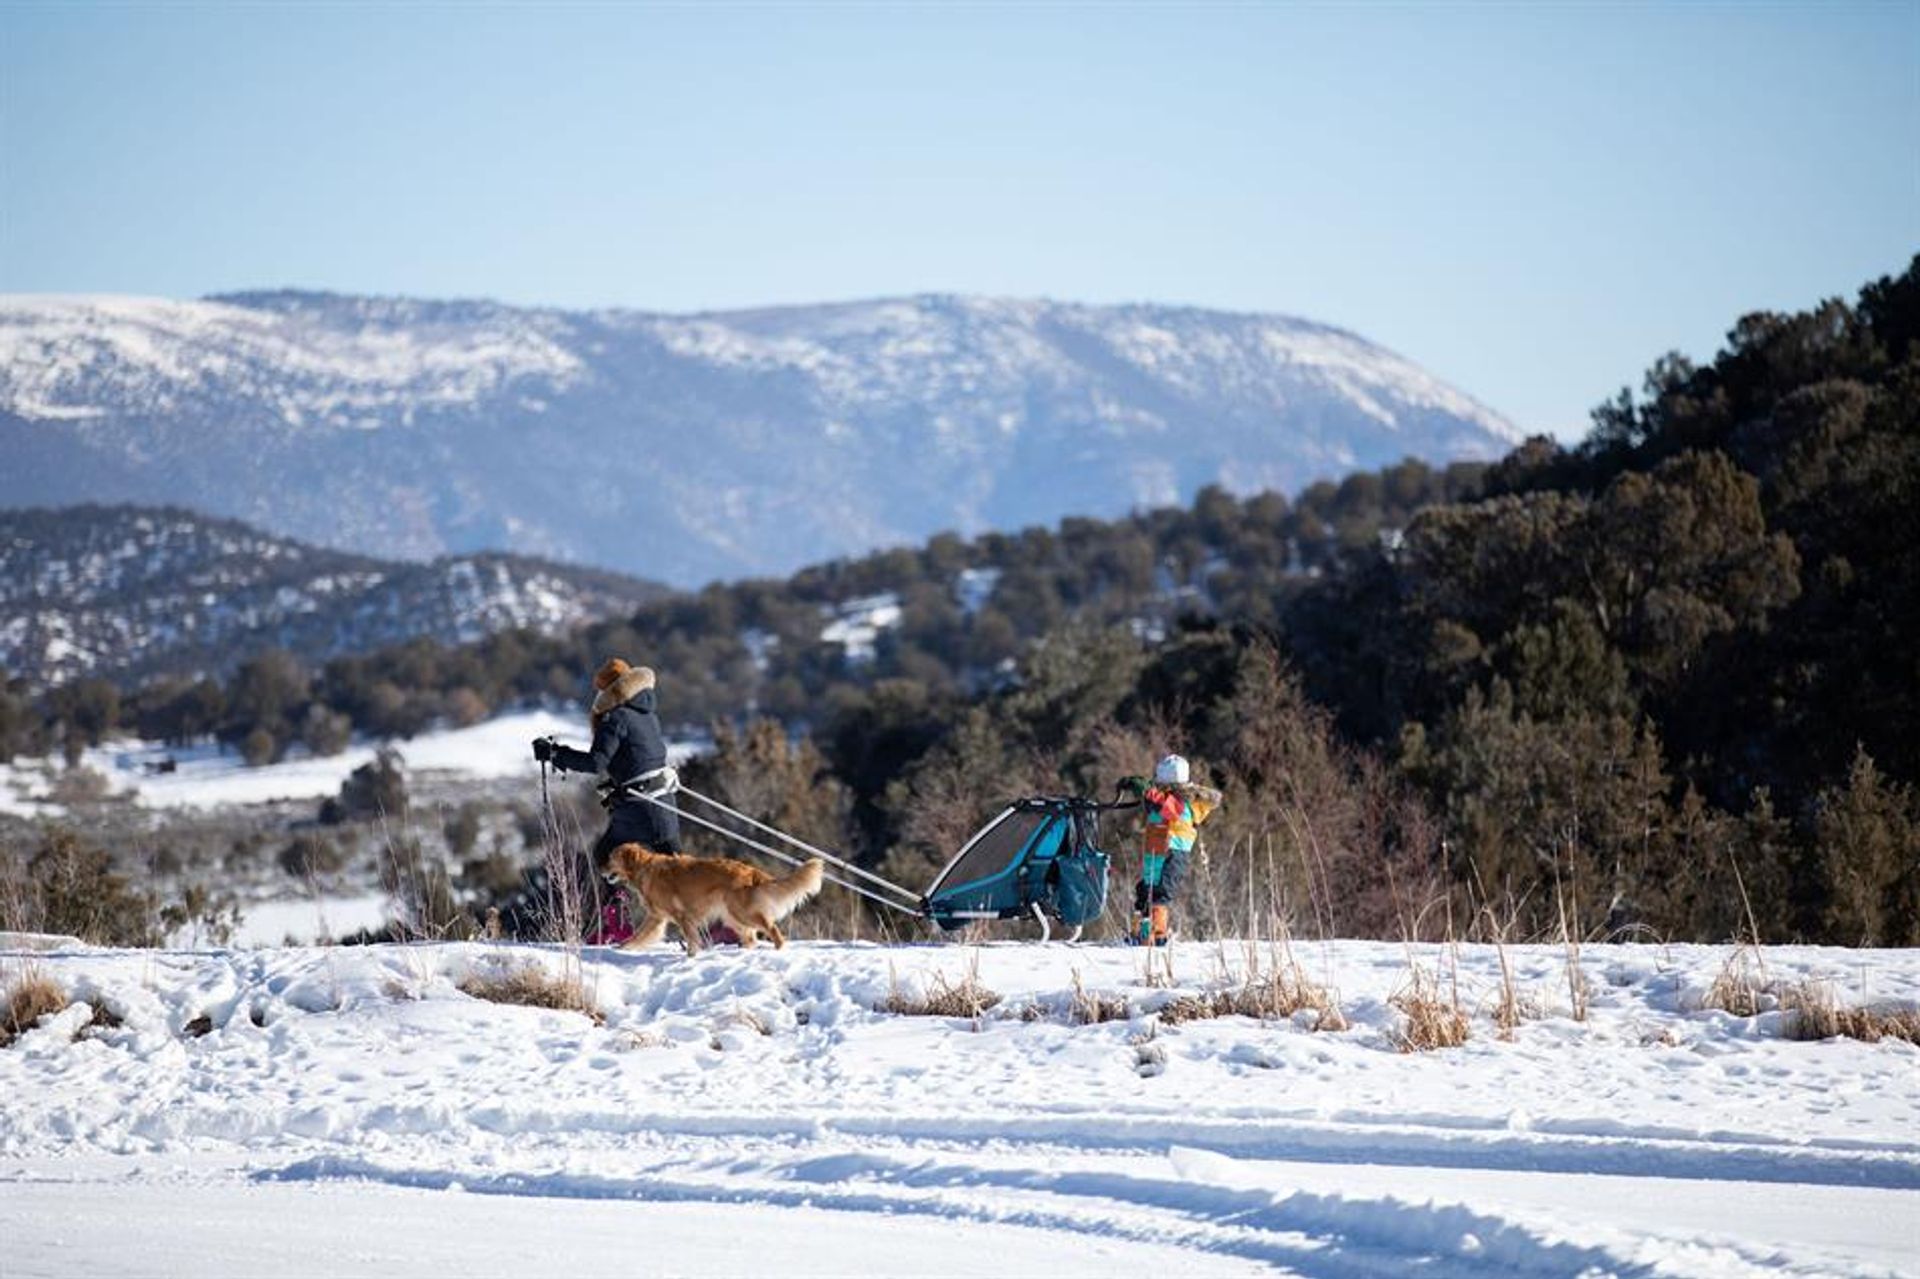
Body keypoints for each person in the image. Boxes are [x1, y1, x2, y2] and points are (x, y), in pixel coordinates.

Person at [532, 658, 681, 941]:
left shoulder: (616, 718)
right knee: (679, 869)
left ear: (608, 692)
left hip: (638, 808)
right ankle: (701, 933)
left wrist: (555, 754)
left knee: (605, 857)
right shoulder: (648, 713)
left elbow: (595, 763)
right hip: (664, 803)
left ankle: (617, 925)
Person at [1118, 754, 1221, 946]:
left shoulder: (1181, 802)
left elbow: (1167, 807)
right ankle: (1139, 933)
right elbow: (1156, 803)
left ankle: (1157, 935)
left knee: (1159, 894)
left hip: (1171, 854)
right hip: (1156, 853)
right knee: (1144, 891)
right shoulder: (1166, 799)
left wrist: (1145, 790)